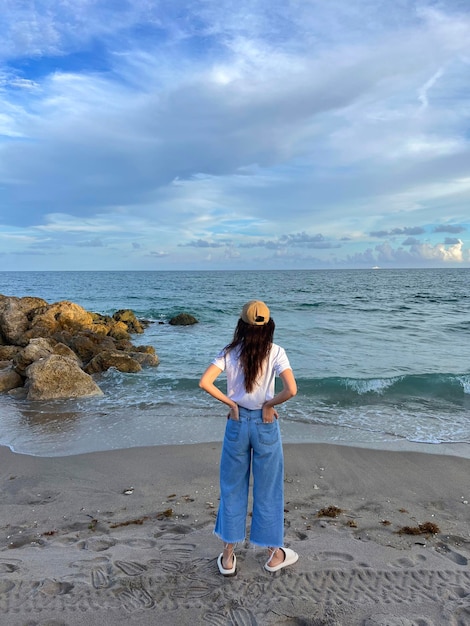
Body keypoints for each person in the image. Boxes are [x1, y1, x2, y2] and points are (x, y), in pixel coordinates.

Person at [199, 300, 298, 576]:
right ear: (268, 325)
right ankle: (273, 554)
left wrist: (231, 405)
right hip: (265, 424)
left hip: (237, 422)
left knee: (232, 487)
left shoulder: (229, 352)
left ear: (241, 324)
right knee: (268, 489)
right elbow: (291, 389)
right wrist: (268, 405)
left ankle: (228, 557)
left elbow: (205, 382)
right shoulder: (277, 352)